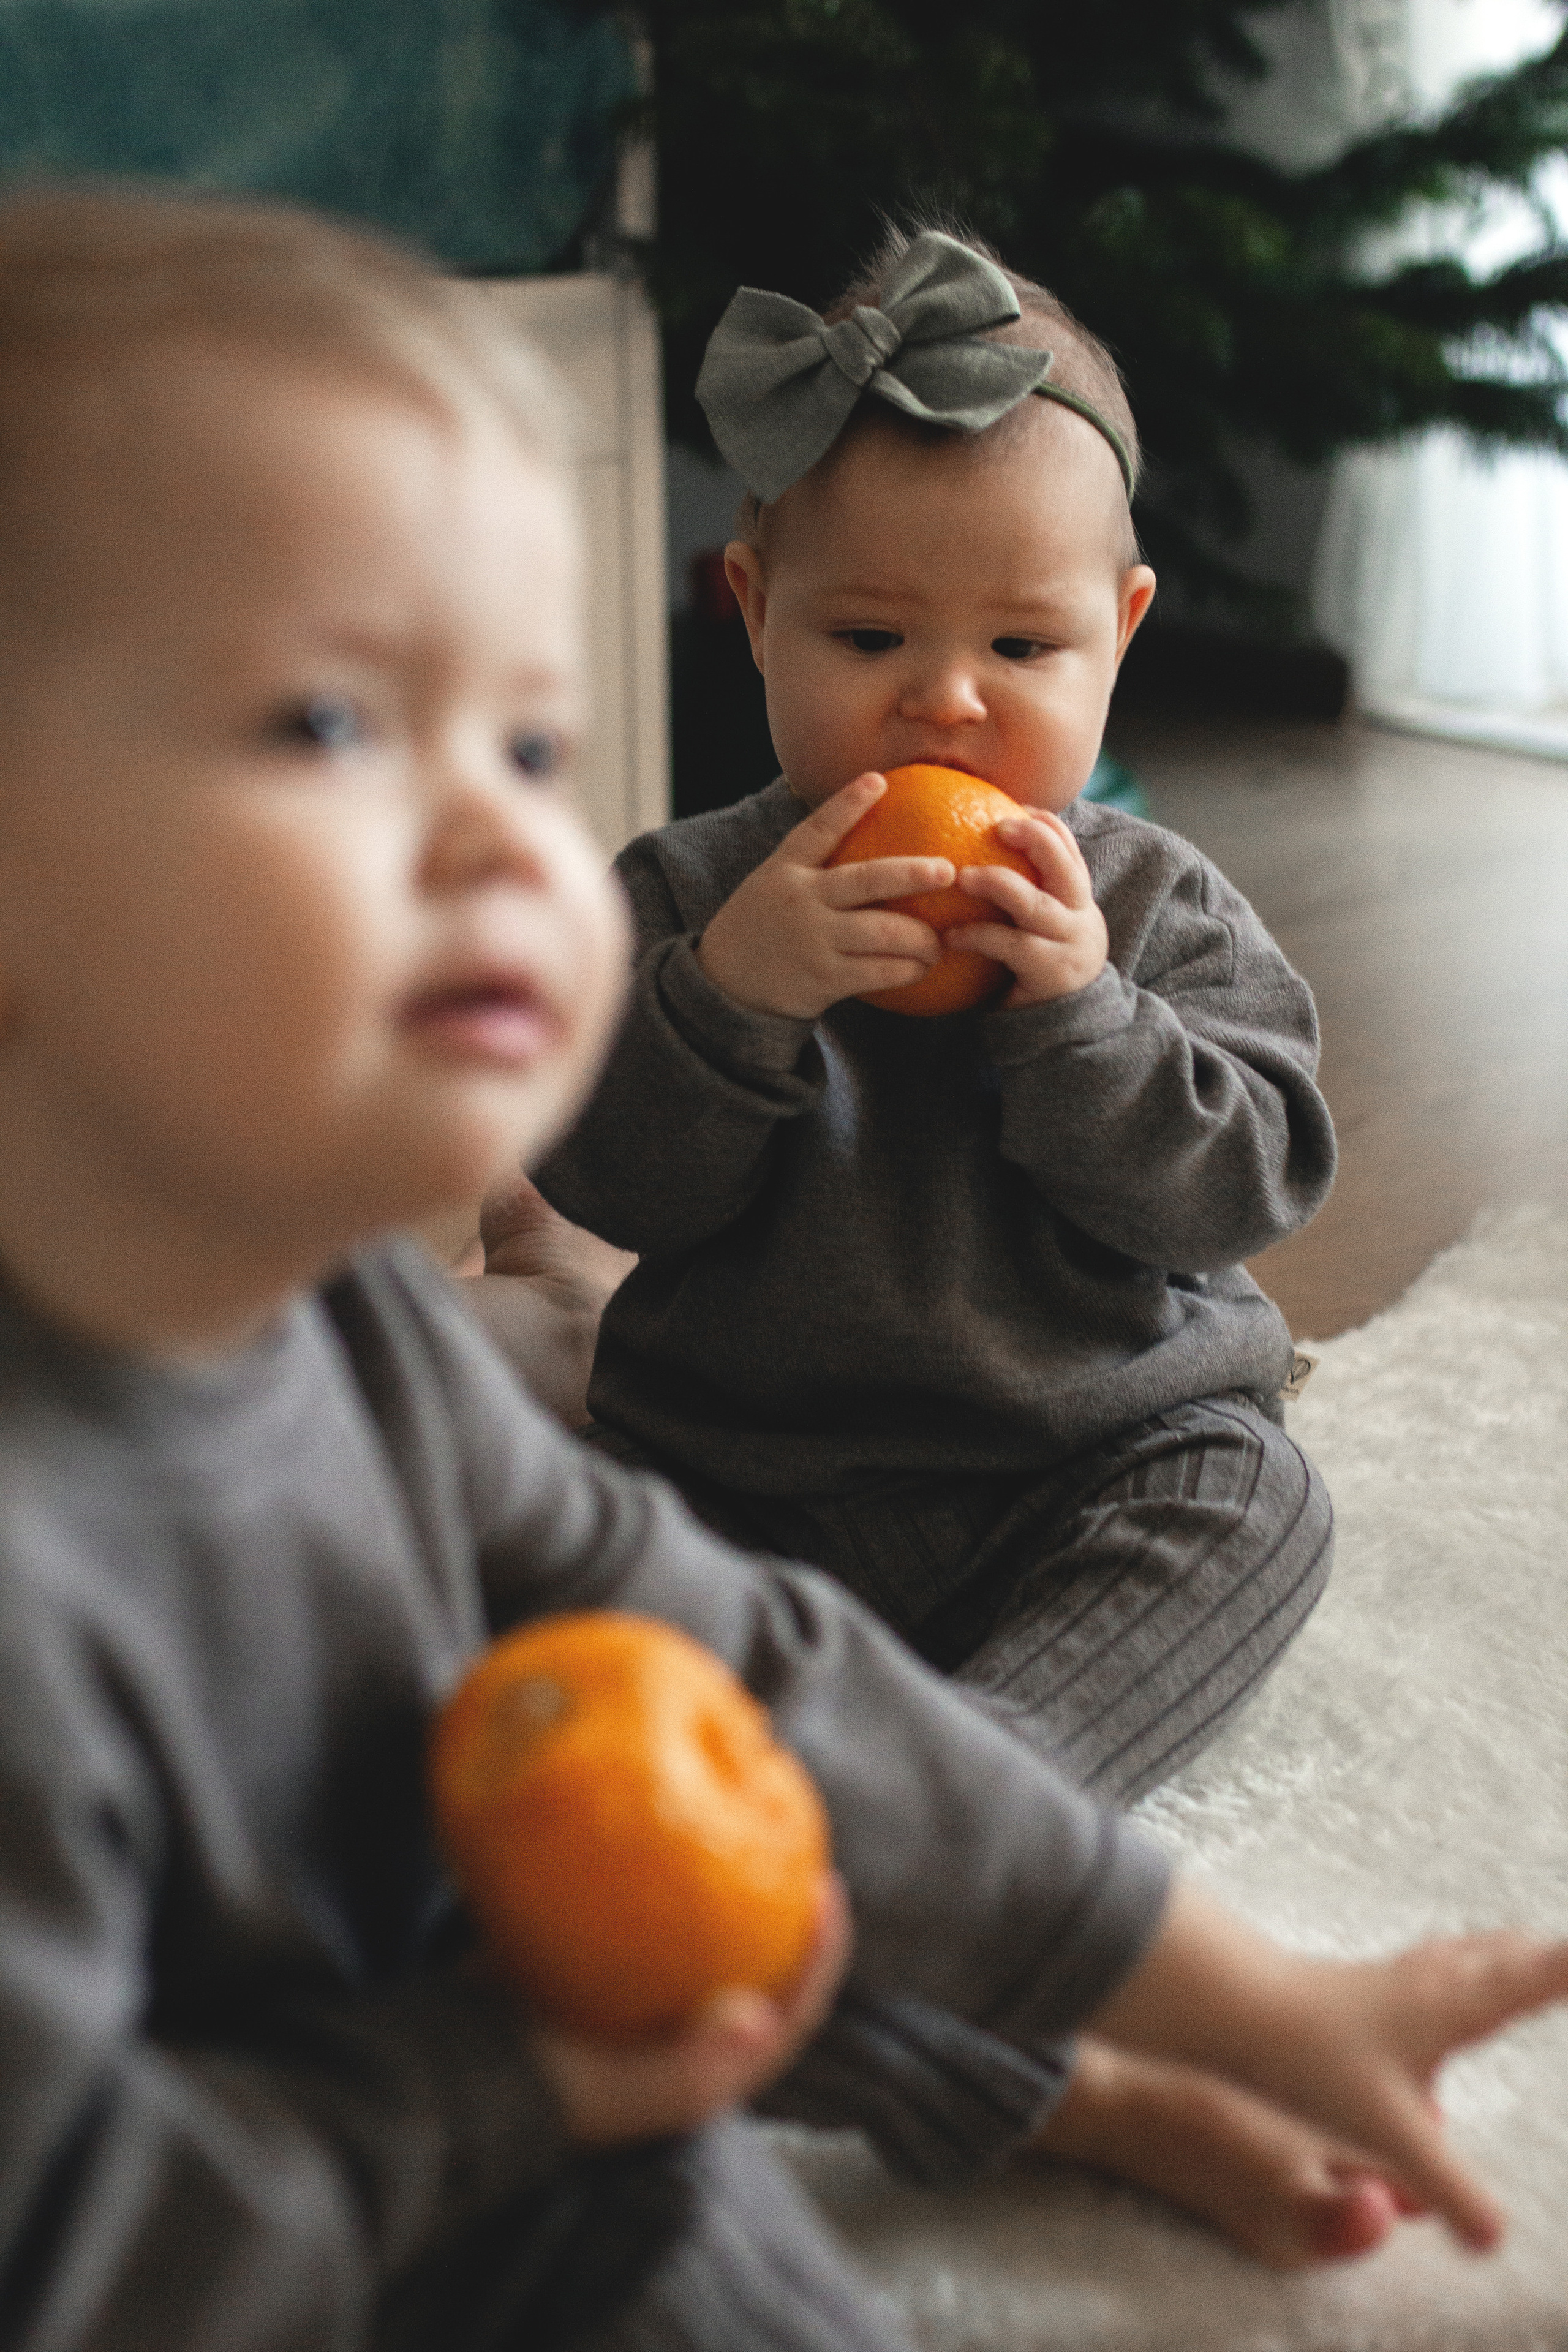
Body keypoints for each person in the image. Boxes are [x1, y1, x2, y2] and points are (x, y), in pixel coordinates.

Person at [1, 183, 1563, 2352]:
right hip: (358, 2158)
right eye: (337, 727)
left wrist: (1251, 1994)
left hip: (1053, 1475)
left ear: (1114, 630)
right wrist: (520, 2092)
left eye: (527, 744)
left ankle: (1054, 2074)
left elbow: (763, 1696)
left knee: (1097, 1587)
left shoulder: (360, 1349)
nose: (507, 839)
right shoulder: (51, 1579)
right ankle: (1039, 2078)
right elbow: (85, 2242)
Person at [526, 225, 1360, 2264]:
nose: (953, 707)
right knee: (572, 1560)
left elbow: (1249, 1183)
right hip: (761, 1471)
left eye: (1028, 651)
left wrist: (1082, 1023)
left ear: (1124, 632)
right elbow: (600, 1181)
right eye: (873, 640)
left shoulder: (1151, 909)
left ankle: (989, 1780)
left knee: (1256, 1495)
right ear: (753, 609)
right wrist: (730, 998)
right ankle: (820, 1775)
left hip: (1084, 1450)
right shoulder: (690, 894)